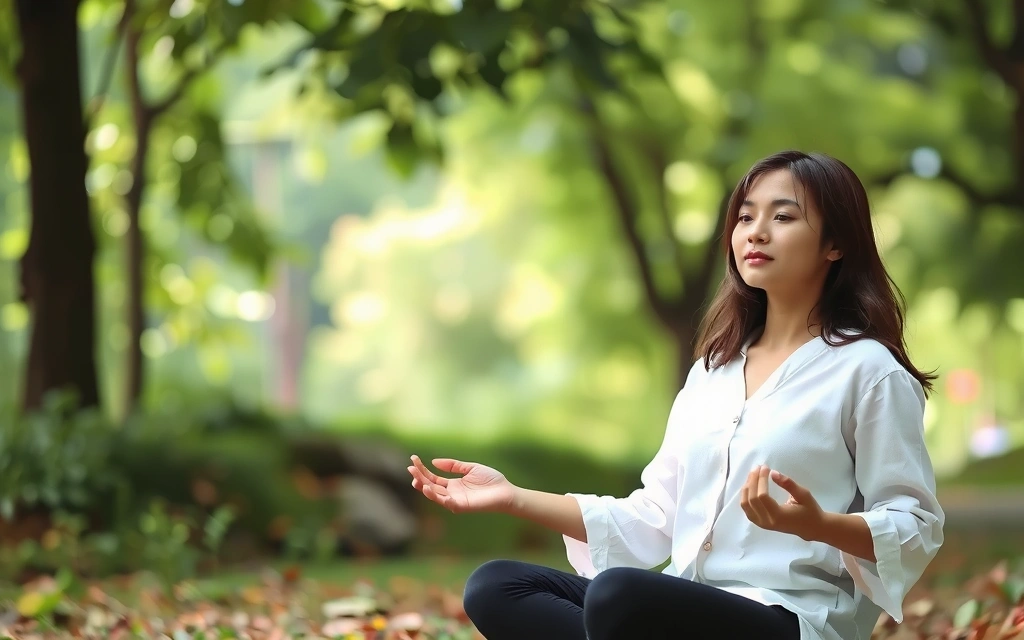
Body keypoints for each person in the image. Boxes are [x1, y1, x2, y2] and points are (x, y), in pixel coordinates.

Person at [407, 150, 945, 640]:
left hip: (787, 619)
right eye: (745, 216)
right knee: (497, 585)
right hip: (685, 609)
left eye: (782, 217)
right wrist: (512, 497)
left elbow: (915, 525)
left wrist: (814, 524)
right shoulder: (712, 371)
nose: (755, 232)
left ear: (836, 244)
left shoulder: (868, 370)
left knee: (621, 598)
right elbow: (655, 517)